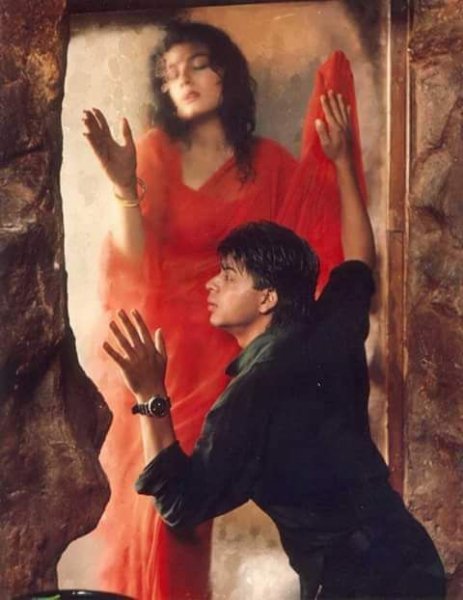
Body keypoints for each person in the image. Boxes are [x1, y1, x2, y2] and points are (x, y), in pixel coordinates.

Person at [103, 92, 446, 599]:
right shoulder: (329, 327)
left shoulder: (251, 394)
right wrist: (342, 161)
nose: (212, 284)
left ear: (267, 298)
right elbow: (359, 262)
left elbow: (181, 504)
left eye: (228, 276)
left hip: (352, 585)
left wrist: (151, 395)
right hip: (414, 562)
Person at [83, 19, 368, 600]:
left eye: (197, 64)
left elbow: (327, 252)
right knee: (148, 521)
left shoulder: (270, 164)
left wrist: (340, 162)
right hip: (163, 355)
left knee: (179, 514)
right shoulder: (153, 153)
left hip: (233, 360)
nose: (182, 80)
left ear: (226, 74)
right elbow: (134, 265)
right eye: (169, 74)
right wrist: (122, 186)